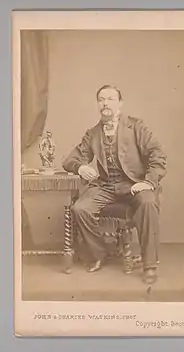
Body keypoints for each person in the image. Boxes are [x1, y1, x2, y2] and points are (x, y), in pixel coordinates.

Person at [62, 85, 167, 284]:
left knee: (148, 202)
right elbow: (70, 159)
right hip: (107, 186)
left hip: (135, 184)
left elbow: (158, 154)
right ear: (98, 104)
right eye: (101, 99)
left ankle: (150, 265)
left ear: (120, 103)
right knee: (80, 209)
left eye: (110, 99)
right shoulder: (93, 133)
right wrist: (80, 168)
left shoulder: (136, 126)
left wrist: (148, 181)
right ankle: (99, 254)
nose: (105, 103)